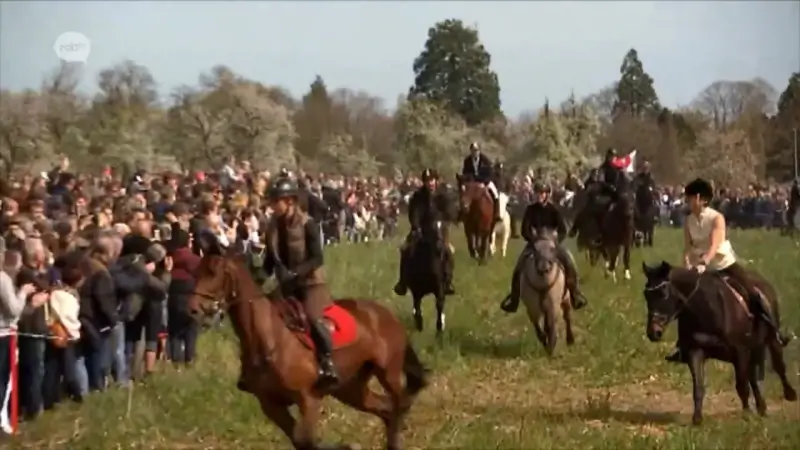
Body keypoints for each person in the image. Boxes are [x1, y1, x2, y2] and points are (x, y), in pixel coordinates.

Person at [665, 178, 789, 363]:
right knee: (684, 301)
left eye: (689, 198)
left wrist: (705, 261)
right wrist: (687, 263)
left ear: (699, 198)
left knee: (753, 293)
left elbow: (715, 244)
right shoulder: (689, 221)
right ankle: (683, 346)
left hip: (724, 265)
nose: (687, 201)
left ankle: (774, 331)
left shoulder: (717, 218)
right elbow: (688, 247)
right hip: (701, 268)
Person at [261, 177, 338, 388]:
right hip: (286, 285)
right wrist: (257, 278)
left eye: (275, 201)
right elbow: (270, 261)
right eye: (271, 202)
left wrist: (295, 273)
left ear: (290, 201)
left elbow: (317, 258)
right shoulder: (272, 227)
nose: (272, 206)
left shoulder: (308, 223)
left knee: (313, 319)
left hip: (311, 284)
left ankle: (328, 362)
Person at [500, 182, 588, 313]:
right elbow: (525, 230)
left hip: (552, 243)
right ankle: (514, 298)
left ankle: (575, 294)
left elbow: (563, 230)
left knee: (569, 261)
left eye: (541, 193)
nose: (539, 196)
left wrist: (555, 241)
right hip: (535, 243)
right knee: (519, 266)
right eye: (537, 193)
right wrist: (533, 240)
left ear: (547, 194)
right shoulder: (530, 209)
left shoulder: (553, 209)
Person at [394, 169, 455, 296]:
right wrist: (416, 226)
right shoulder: (418, 196)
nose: (430, 183)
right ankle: (402, 282)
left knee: (449, 251)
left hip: (439, 230)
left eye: (432, 180)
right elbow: (414, 213)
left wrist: (443, 223)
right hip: (421, 230)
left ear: (436, 180)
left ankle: (448, 282)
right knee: (405, 249)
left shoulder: (442, 195)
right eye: (427, 181)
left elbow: (449, 213)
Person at [461, 142, 500, 222]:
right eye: (473, 150)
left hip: (484, 181)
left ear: (479, 151)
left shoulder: (485, 160)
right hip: (472, 183)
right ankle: (462, 213)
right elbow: (465, 173)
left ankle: (497, 213)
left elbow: (490, 173)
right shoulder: (467, 161)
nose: (474, 152)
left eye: (476, 150)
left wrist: (484, 182)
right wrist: (468, 181)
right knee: (463, 193)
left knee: (495, 194)